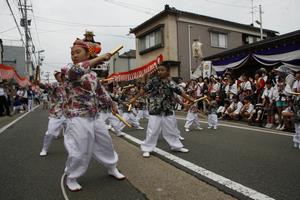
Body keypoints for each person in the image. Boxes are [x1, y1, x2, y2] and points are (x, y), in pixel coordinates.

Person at [63, 38, 124, 191]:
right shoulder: (70, 71)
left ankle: (112, 167)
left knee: (106, 142)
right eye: (72, 53)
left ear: (87, 55)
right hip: (77, 116)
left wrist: (112, 104)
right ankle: (72, 176)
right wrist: (101, 58)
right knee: (80, 148)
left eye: (78, 52)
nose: (74, 55)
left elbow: (101, 93)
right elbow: (78, 69)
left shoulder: (93, 76)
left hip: (94, 115)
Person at [131, 61, 195, 158]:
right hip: (155, 109)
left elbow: (180, 92)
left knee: (171, 129)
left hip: (167, 109)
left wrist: (189, 99)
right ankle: (147, 148)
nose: (159, 72)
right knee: (152, 130)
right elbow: (143, 90)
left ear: (168, 71)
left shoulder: (170, 82)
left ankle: (176, 146)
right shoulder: (153, 80)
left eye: (162, 70)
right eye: (158, 70)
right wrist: (134, 98)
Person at [39, 71, 67, 156]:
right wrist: (39, 83)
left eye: (63, 75)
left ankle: (73, 150)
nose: (62, 77)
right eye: (59, 76)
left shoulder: (69, 85)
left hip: (69, 114)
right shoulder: (55, 85)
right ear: (56, 78)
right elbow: (45, 86)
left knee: (72, 133)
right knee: (50, 133)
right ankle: (44, 149)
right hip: (56, 114)